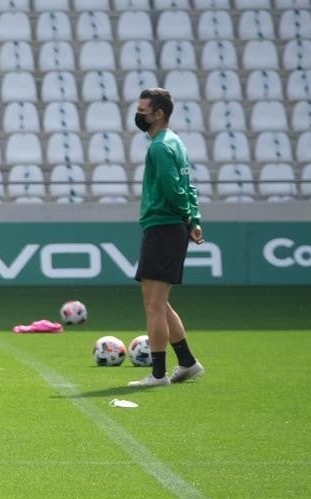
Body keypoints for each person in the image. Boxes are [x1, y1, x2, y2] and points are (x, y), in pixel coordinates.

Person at [127, 88, 205, 388]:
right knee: (158, 301)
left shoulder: (160, 147)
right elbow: (189, 187)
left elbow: (174, 190)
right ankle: (186, 363)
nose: (139, 115)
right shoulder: (175, 143)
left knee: (154, 305)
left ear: (159, 113)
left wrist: (187, 217)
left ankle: (158, 375)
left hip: (163, 225)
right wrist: (193, 219)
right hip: (170, 226)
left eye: (143, 110)